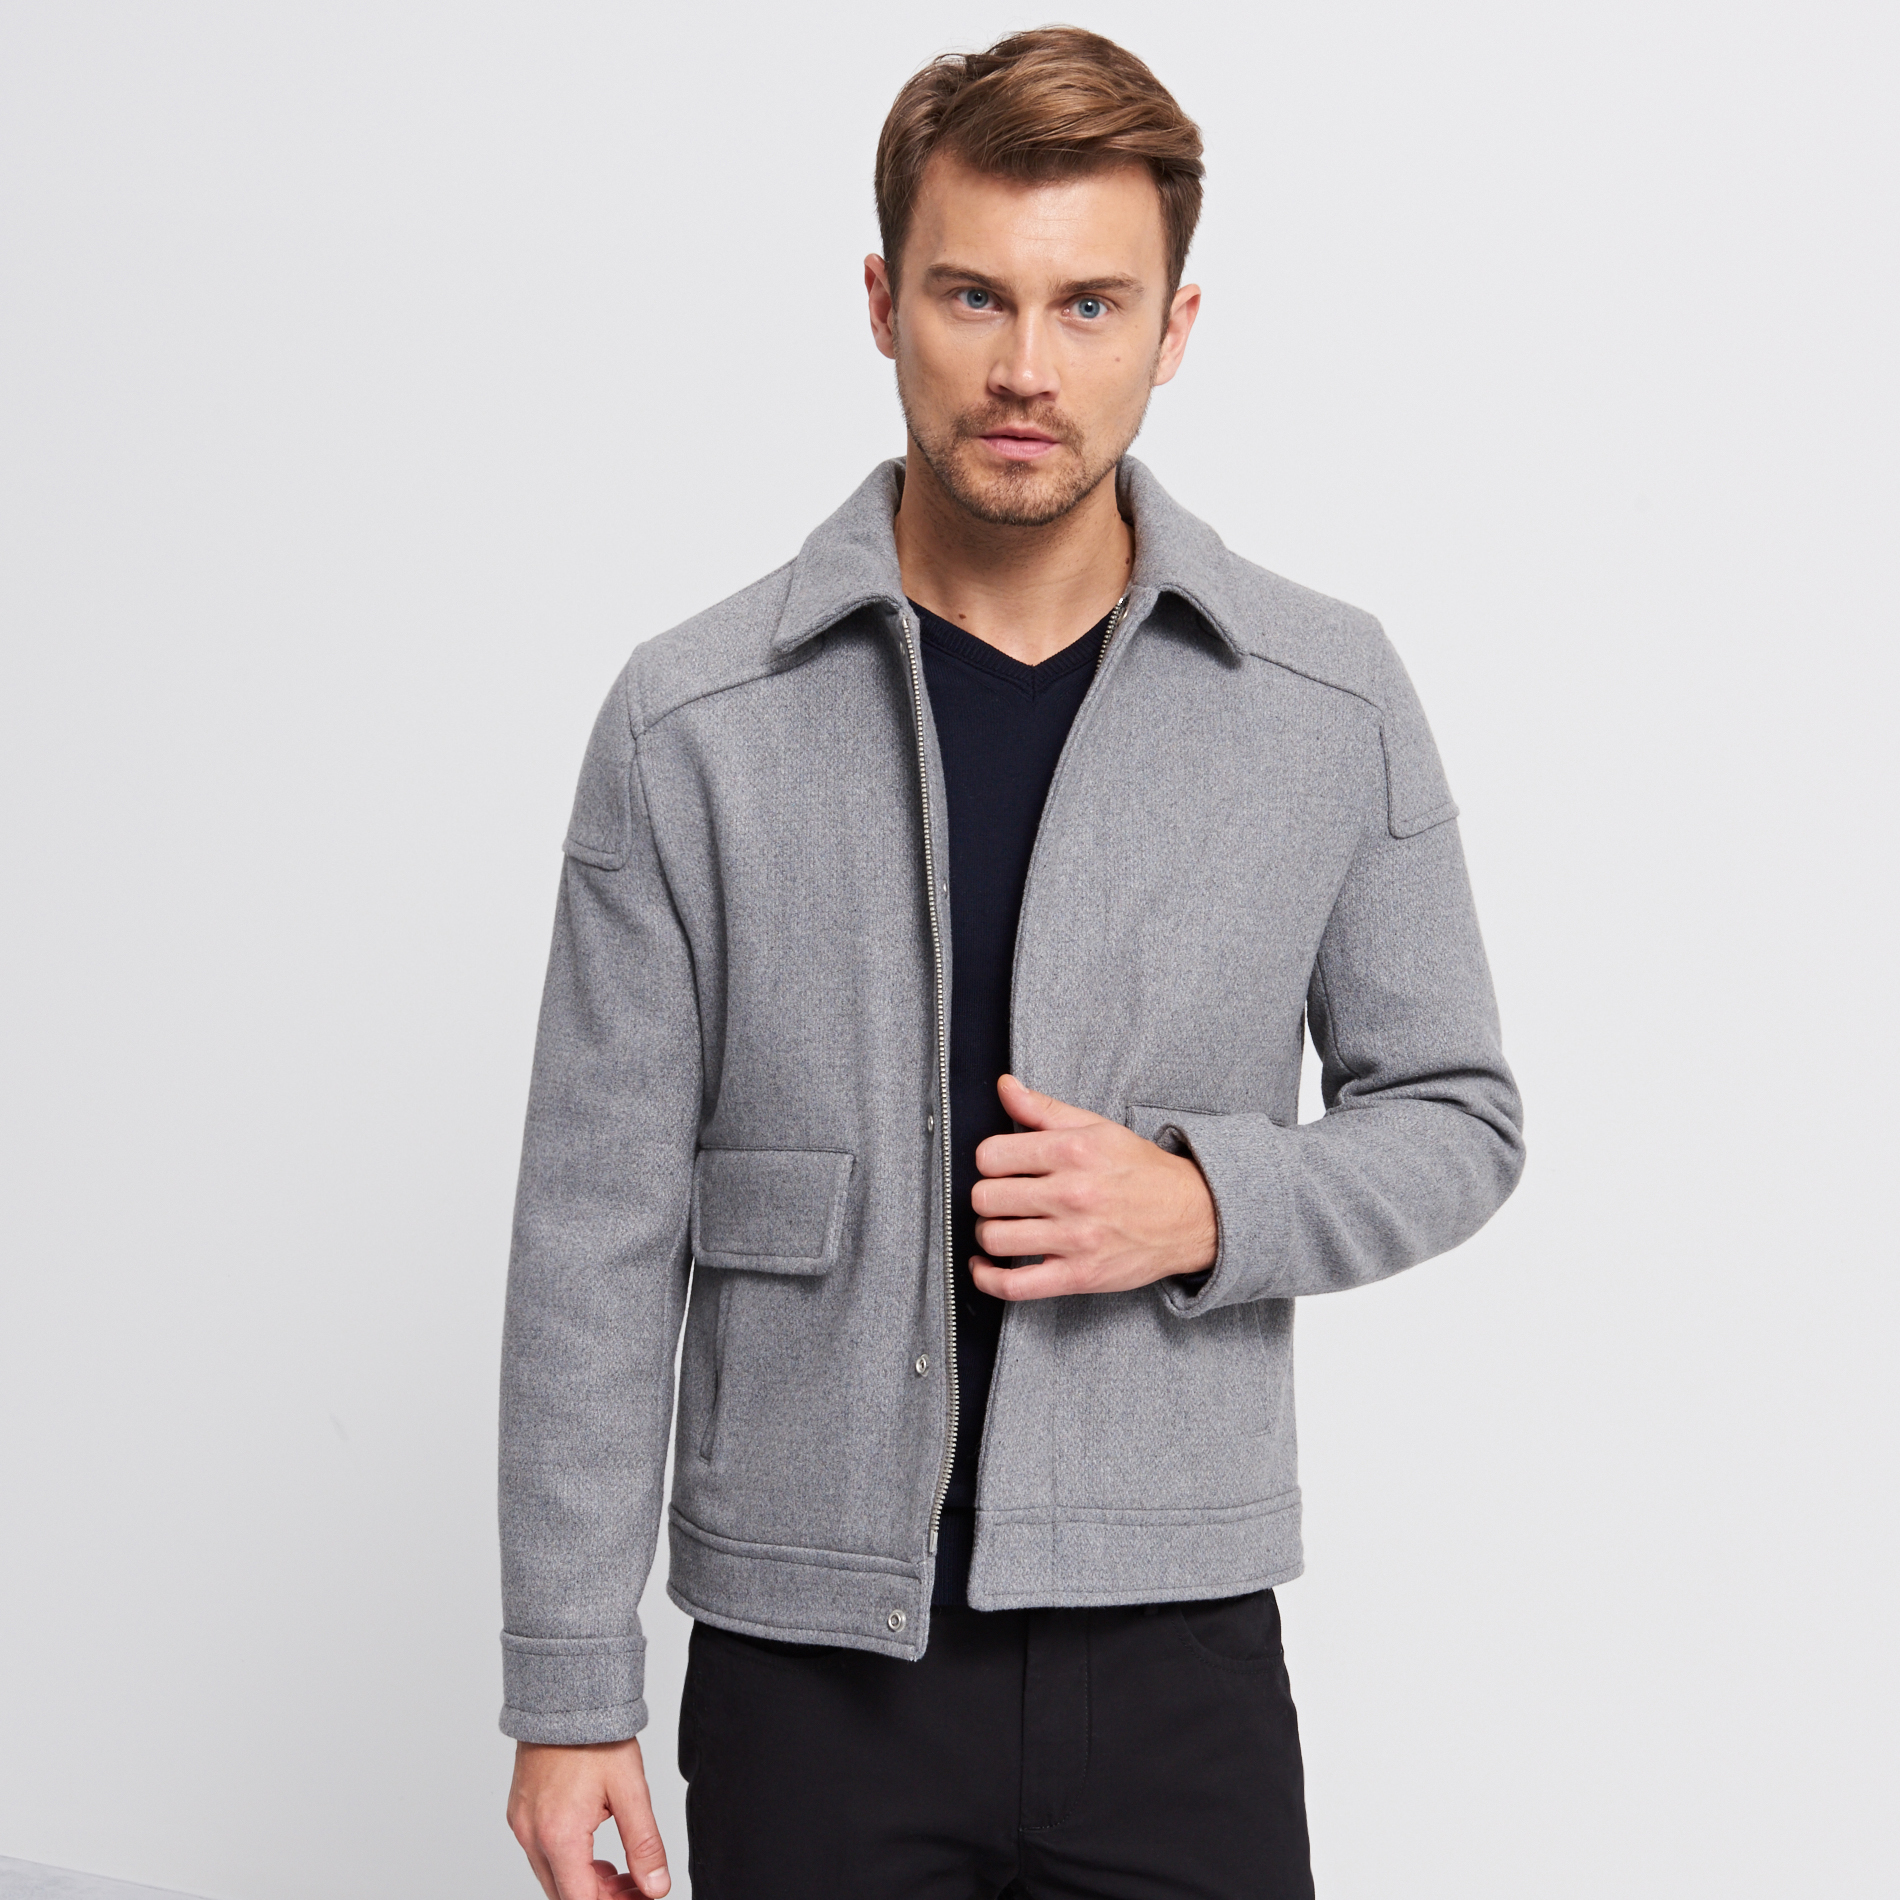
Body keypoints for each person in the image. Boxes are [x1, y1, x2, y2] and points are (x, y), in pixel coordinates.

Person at [499, 27, 1523, 1900]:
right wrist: (570, 1692)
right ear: (882, 303)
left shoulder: (1324, 698)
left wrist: (1203, 1203)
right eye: (973, 295)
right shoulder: (692, 722)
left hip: (1179, 1646)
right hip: (809, 1664)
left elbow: (1459, 1115)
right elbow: (596, 1222)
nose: (1027, 367)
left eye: (1089, 305)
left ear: (1175, 327)